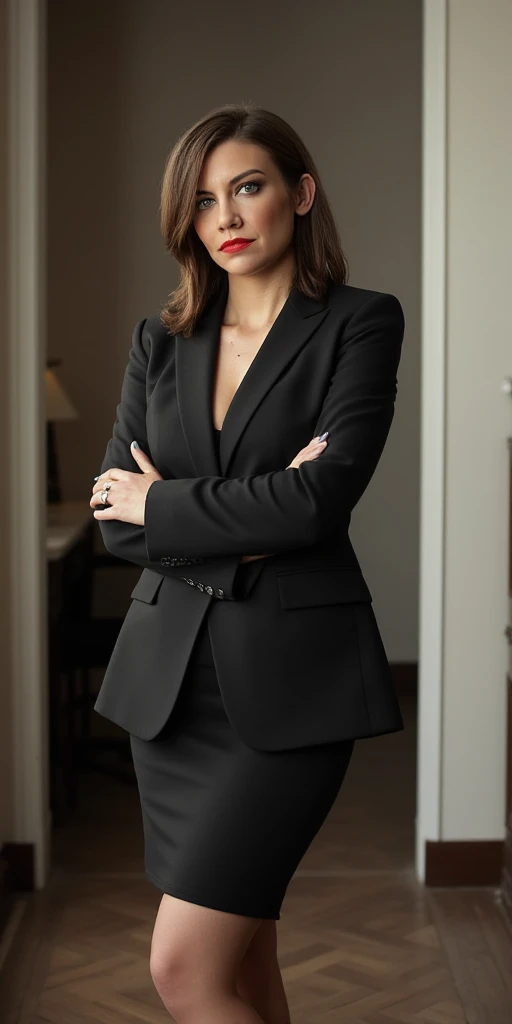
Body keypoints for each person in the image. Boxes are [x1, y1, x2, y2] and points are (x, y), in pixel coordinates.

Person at [90, 103, 405, 1024]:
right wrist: (252, 514)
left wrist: (171, 505)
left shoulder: (359, 324)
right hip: (170, 695)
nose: (225, 216)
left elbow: (319, 502)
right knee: (244, 967)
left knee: (185, 973)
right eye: (202, 202)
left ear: (300, 194)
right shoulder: (163, 341)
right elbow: (118, 519)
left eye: (248, 187)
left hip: (291, 692)